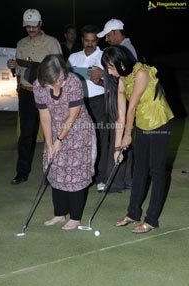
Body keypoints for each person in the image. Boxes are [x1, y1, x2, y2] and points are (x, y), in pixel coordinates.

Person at [101, 45, 174, 233]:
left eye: (110, 67)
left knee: (156, 170)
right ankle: (133, 213)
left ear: (121, 62)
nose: (109, 72)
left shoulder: (141, 73)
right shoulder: (122, 79)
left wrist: (127, 136)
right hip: (143, 124)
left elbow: (132, 107)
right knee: (139, 169)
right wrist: (117, 149)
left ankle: (151, 220)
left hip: (159, 122)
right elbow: (121, 115)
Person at [33, 54, 97, 230]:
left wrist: (60, 139)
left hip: (78, 131)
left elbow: (73, 114)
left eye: (61, 78)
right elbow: (44, 116)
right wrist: (49, 142)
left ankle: (75, 217)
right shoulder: (39, 86)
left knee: (75, 173)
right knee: (56, 170)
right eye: (55, 80)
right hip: (54, 129)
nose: (60, 83)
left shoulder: (73, 82)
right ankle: (59, 213)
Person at [7, 8, 62, 184]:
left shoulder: (52, 43)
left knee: (51, 133)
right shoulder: (21, 43)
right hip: (26, 92)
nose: (30, 29)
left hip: (46, 92)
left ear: (40, 24)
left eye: (33, 26)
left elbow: (59, 68)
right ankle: (22, 173)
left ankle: (52, 172)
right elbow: (18, 71)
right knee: (26, 134)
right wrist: (13, 66)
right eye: (27, 27)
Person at [91, 19, 139, 193]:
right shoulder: (124, 49)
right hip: (120, 102)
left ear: (116, 32)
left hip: (125, 105)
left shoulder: (126, 51)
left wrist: (103, 75)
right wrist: (103, 79)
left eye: (108, 36)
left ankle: (117, 182)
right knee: (123, 143)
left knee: (121, 142)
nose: (107, 40)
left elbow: (126, 86)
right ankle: (124, 180)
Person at [68, 24, 108, 192]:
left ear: (97, 40)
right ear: (82, 40)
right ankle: (82, 176)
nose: (90, 44)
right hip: (79, 103)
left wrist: (103, 76)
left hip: (100, 102)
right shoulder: (73, 57)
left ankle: (102, 177)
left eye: (93, 41)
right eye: (87, 40)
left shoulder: (105, 56)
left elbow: (117, 80)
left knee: (100, 139)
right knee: (79, 140)